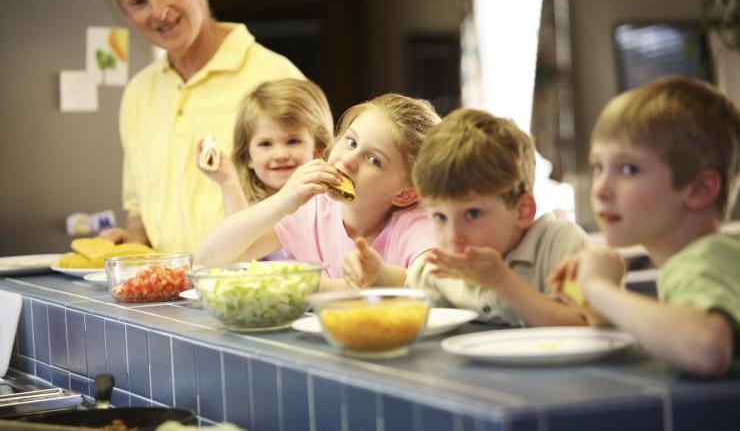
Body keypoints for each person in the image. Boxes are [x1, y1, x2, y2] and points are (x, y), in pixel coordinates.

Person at [549, 76, 740, 377]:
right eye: (599, 166)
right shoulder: (715, 257)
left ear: (699, 189)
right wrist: (601, 311)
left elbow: (706, 349)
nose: (600, 189)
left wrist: (598, 289)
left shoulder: (701, 260)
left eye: (628, 169)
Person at [100, 0, 304, 253]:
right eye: (139, 2)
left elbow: (315, 197)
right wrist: (134, 240)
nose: (159, 13)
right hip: (169, 288)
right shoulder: (138, 93)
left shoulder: (275, 75)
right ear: (126, 13)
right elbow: (137, 205)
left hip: (254, 285)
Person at [345, 108, 589, 326]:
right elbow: (410, 281)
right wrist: (378, 274)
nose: (453, 236)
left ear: (523, 210)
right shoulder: (452, 263)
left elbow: (583, 325)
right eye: (440, 217)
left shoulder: (561, 244)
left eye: (472, 214)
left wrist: (502, 281)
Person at [196, 93, 441, 290]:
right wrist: (282, 201)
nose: (348, 160)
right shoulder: (313, 210)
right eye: (351, 142)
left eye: (374, 160)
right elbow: (210, 258)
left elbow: (432, 286)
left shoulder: (417, 223)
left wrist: (318, 286)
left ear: (405, 194)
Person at [195, 78, 333, 260]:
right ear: (247, 156)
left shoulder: (324, 205)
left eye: (293, 141)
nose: (280, 154)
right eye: (266, 144)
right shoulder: (255, 206)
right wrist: (228, 181)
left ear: (318, 148)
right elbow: (238, 251)